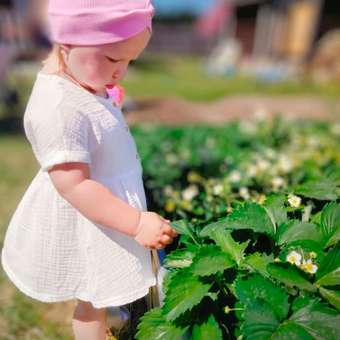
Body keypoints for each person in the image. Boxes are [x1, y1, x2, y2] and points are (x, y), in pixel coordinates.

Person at [0, 1, 178, 339]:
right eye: (113, 59)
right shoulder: (58, 107)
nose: (120, 71)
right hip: (92, 219)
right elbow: (74, 185)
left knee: (104, 292)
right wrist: (135, 222)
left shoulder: (80, 81)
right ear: (68, 44)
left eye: (129, 61)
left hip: (107, 211)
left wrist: (105, 100)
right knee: (93, 298)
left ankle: (117, 324)